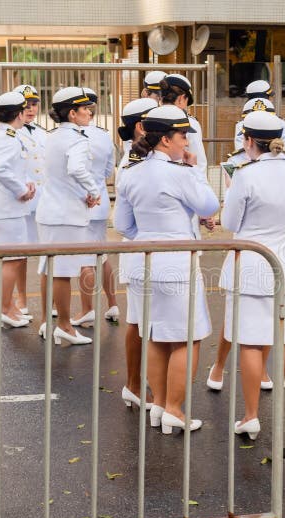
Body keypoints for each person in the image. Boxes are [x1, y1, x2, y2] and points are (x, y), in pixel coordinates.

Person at [114, 105, 219, 435]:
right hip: (177, 265)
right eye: (182, 135)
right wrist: (194, 171)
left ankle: (159, 405)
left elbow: (123, 225)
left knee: (156, 337)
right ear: (164, 140)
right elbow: (209, 206)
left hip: (145, 261)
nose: (186, 141)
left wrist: (152, 235)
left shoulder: (130, 173)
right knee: (188, 338)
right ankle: (173, 408)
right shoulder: (179, 172)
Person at [219, 110, 285, 440]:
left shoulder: (245, 173)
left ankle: (251, 417)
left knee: (250, 342)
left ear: (247, 141)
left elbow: (230, 223)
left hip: (250, 260)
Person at [35, 87, 100, 346]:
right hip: (66, 214)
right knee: (62, 272)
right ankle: (63, 325)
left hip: (50, 210)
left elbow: (59, 175)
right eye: (85, 109)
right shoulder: (77, 139)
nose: (89, 114)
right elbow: (75, 168)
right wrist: (93, 189)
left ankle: (50, 321)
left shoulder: (53, 137)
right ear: (72, 114)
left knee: (50, 268)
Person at [115, 97, 158, 411]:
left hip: (145, 253)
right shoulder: (135, 162)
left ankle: (137, 385)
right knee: (145, 323)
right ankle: (141, 387)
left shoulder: (143, 157)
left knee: (139, 321)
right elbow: (125, 225)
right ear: (141, 126)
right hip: (143, 252)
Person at [0, 92, 36, 328]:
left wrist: (25, 183)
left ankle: (11, 307)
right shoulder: (8, 138)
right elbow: (1, 170)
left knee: (14, 258)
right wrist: (21, 190)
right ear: (18, 113)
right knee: (12, 260)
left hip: (7, 208)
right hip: (7, 209)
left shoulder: (6, 135)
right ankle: (5, 308)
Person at [72, 87, 120, 326]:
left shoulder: (71, 135)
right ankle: (112, 304)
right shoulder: (103, 135)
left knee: (84, 259)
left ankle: (87, 310)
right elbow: (110, 169)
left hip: (80, 202)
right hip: (100, 200)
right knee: (101, 255)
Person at [12, 83, 47, 316]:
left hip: (44, 200)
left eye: (34, 104)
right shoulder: (11, 133)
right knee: (21, 253)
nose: (31, 109)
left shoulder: (44, 132)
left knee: (47, 251)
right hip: (23, 199)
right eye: (26, 105)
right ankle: (21, 299)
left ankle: (50, 301)